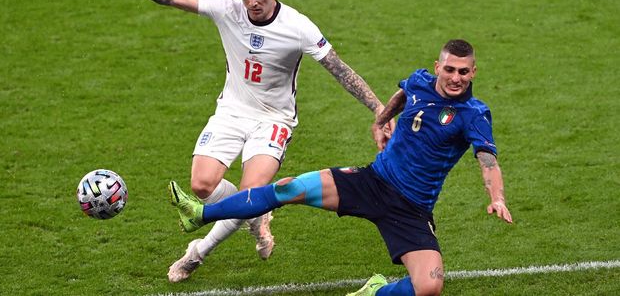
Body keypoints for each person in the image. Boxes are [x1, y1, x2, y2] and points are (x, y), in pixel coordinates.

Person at [169, 39, 513, 295]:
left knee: (430, 287)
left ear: (473, 72)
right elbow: (403, 95)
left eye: (463, 71)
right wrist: (381, 120)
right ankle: (199, 214)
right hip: (372, 181)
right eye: (450, 69)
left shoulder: (473, 115)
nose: (456, 78)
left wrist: (496, 196)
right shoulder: (420, 80)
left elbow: (488, 161)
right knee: (287, 188)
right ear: (438, 67)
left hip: (411, 209)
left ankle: (374, 291)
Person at [121, 0, 392, 283]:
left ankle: (197, 252)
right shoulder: (227, 9)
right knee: (202, 186)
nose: (253, 3)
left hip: (274, 120)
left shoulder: (298, 27)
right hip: (231, 112)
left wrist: (379, 109)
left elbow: (339, 69)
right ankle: (257, 213)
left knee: (251, 190)